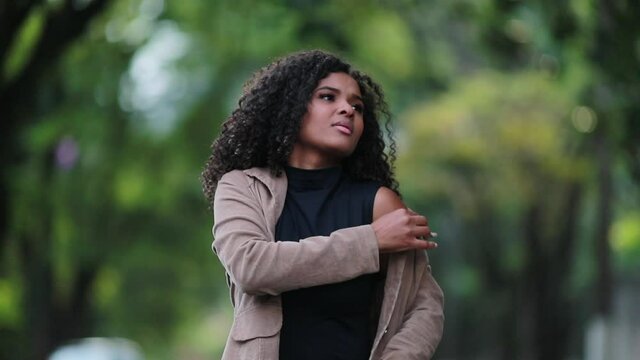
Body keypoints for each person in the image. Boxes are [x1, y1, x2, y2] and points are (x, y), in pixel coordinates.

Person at [202, 49, 444, 360]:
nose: (348, 109)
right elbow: (251, 268)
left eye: (357, 106)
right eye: (328, 97)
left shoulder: (379, 203)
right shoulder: (243, 188)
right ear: (290, 106)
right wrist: (370, 242)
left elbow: (424, 304)